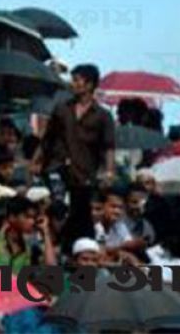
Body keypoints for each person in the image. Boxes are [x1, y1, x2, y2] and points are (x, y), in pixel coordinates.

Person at [35, 63, 115, 242]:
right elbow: (48, 138)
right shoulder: (62, 109)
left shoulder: (102, 116)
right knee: (57, 204)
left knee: (79, 212)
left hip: (84, 170)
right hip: (57, 165)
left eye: (77, 80)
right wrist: (36, 161)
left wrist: (109, 171)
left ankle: (71, 246)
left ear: (89, 84)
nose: (73, 84)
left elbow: (108, 146)